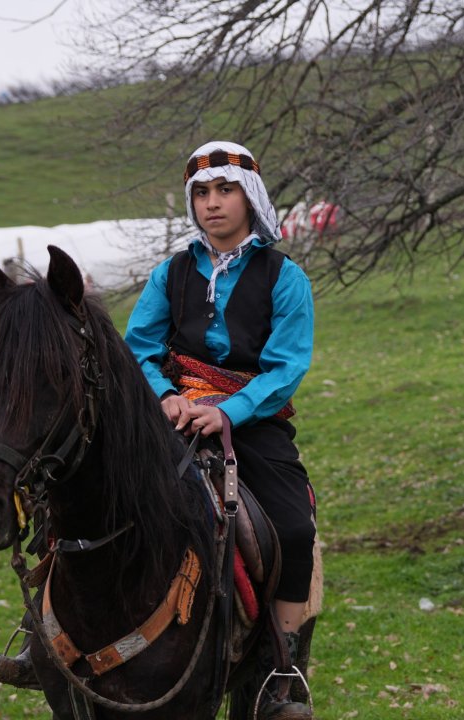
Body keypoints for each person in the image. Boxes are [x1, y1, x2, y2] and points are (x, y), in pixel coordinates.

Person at [126, 140, 316, 719]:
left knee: (293, 526)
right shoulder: (171, 273)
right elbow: (137, 348)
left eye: (225, 190)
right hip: (172, 417)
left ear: (249, 197)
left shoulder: (284, 277)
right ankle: (48, 638)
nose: (212, 203)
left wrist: (226, 411)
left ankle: (281, 674)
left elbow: (286, 368)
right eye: (202, 193)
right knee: (96, 494)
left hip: (251, 422)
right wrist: (163, 397)